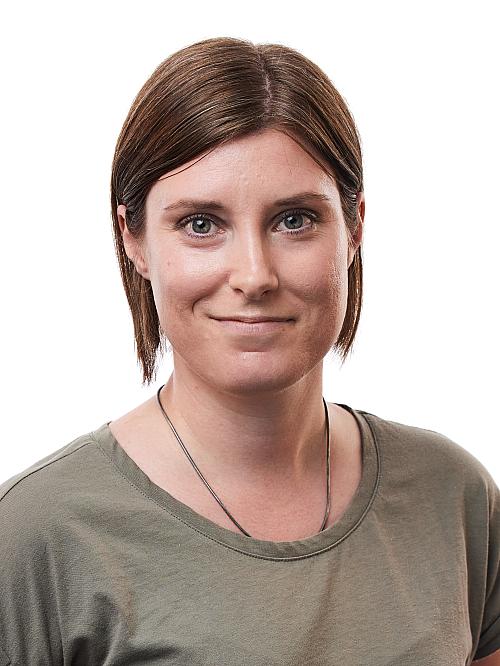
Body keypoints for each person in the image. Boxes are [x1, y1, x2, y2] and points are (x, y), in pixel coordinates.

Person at [0, 36, 498, 666]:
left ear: (354, 227)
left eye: (294, 219)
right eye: (201, 224)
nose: (254, 275)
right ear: (134, 240)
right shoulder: (35, 535)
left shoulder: (455, 497)